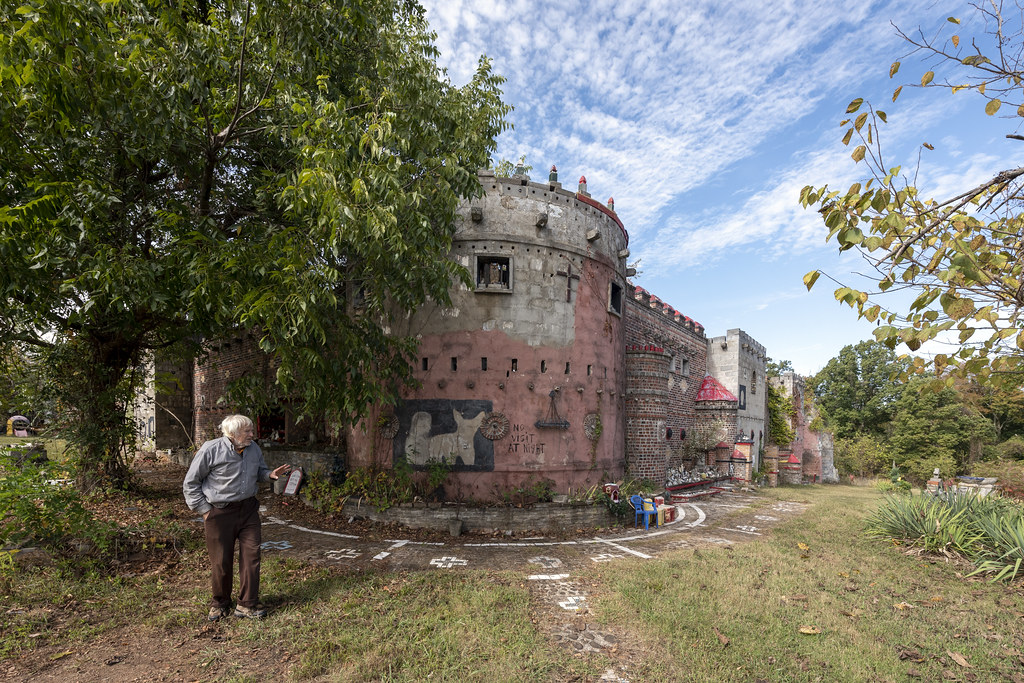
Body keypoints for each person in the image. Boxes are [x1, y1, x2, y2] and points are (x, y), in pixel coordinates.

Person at [183, 414, 290, 620]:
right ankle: (220, 602)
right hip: (219, 512)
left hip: (248, 510)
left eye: (252, 430)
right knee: (221, 560)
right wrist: (205, 510)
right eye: (247, 431)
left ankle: (247, 604)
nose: (253, 434)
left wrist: (269, 475)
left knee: (252, 556)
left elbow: (258, 472)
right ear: (232, 434)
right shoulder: (210, 449)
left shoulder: (253, 449)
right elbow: (191, 483)